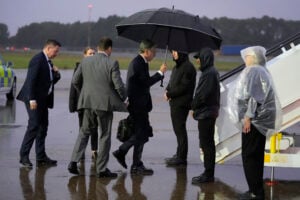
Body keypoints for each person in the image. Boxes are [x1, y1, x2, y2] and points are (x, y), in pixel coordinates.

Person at [67, 37, 127, 178]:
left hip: (87, 102)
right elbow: (118, 85)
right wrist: (125, 98)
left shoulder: (85, 61)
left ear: (98, 47)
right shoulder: (112, 63)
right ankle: (101, 169)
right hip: (104, 105)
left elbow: (75, 81)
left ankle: (73, 162)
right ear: (109, 49)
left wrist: (85, 93)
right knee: (105, 135)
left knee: (84, 132)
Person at [227, 46, 282, 200]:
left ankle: (255, 193)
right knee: (256, 156)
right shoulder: (263, 71)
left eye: (248, 56)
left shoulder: (254, 71)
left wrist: (247, 117)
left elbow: (254, 96)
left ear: (253, 57)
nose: (245, 59)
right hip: (262, 122)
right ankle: (257, 191)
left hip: (254, 122)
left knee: (250, 156)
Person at [112, 39, 167, 175]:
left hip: (139, 105)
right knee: (141, 134)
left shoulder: (141, 62)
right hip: (137, 105)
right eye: (153, 51)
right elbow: (145, 83)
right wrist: (160, 73)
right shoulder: (138, 63)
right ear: (147, 51)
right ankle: (122, 152)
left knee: (143, 134)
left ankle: (136, 163)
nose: (155, 54)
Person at [17, 39, 61, 168]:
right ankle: (24, 156)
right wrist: (32, 100)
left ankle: (41, 156)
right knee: (34, 126)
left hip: (43, 100)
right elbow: (31, 80)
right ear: (48, 48)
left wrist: (56, 74)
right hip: (33, 99)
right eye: (56, 51)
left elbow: (49, 82)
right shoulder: (38, 59)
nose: (57, 53)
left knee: (43, 127)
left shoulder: (48, 62)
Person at [191, 47, 220, 183]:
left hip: (206, 113)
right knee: (207, 143)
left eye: (199, 58)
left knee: (206, 144)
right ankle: (208, 172)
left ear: (205, 58)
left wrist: (193, 107)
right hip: (208, 112)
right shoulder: (211, 72)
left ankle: (208, 174)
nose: (197, 61)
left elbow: (202, 95)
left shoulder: (209, 74)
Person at [163, 50, 196, 166]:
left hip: (182, 103)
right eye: (172, 52)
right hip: (175, 103)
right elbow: (172, 82)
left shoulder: (188, 68)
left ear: (182, 53)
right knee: (178, 130)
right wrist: (167, 89)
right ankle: (179, 154)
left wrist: (169, 94)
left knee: (180, 130)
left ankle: (182, 157)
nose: (173, 54)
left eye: (176, 52)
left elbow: (183, 87)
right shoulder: (177, 66)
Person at [69, 47, 98, 160]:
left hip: (94, 104)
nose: (92, 55)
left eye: (94, 54)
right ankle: (80, 153)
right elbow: (73, 88)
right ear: (84, 55)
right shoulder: (79, 67)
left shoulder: (96, 68)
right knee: (82, 129)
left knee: (94, 128)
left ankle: (94, 150)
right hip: (82, 104)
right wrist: (73, 105)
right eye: (90, 53)